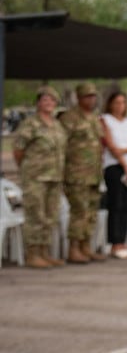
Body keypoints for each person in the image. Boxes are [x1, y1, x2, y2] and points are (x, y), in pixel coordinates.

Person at [12, 86, 67, 270]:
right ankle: (32, 254)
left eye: (52, 100)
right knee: (35, 215)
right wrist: (29, 169)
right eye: (45, 100)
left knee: (50, 216)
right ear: (38, 103)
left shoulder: (57, 124)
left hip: (54, 176)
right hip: (35, 177)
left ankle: (44, 252)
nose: (49, 103)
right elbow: (18, 150)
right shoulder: (30, 124)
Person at [60, 84, 107, 263]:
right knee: (78, 212)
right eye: (87, 96)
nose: (91, 100)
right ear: (79, 98)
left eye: (93, 96)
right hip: (76, 174)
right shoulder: (69, 118)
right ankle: (74, 249)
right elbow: (61, 147)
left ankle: (86, 247)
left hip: (94, 174)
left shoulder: (95, 118)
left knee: (91, 212)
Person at [99, 89, 127, 259]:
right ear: (110, 104)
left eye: (123, 102)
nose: (120, 106)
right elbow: (110, 144)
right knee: (115, 204)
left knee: (125, 204)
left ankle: (123, 241)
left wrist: (124, 152)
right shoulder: (105, 120)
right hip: (115, 166)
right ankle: (114, 242)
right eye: (116, 102)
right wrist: (124, 163)